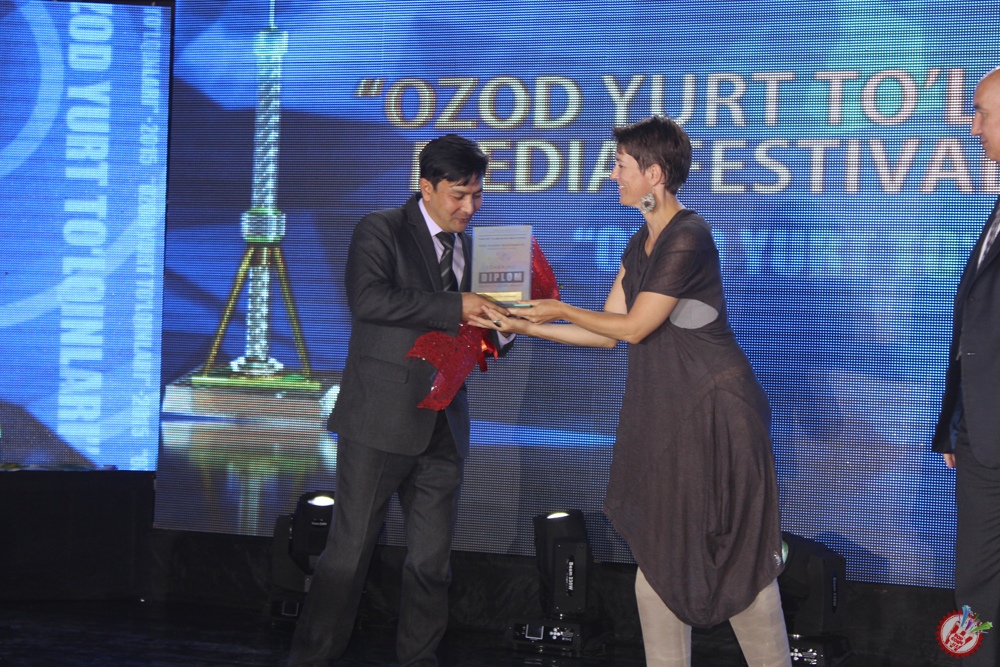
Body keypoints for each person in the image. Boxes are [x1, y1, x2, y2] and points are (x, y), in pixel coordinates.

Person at [473, 116, 790, 666]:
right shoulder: (641, 241)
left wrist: (558, 307)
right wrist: (523, 324)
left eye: (620, 166)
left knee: (738, 567)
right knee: (659, 568)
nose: (612, 175)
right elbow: (607, 333)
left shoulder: (688, 236)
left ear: (655, 174)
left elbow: (635, 327)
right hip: (669, 413)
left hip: (715, 412)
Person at [288, 134, 511, 667]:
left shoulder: (480, 248)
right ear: (426, 188)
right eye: (459, 195)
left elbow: (483, 332)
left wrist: (507, 325)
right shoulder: (380, 228)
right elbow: (369, 300)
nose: (470, 207)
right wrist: (457, 305)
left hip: (445, 424)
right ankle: (311, 658)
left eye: (477, 195)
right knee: (348, 554)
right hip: (379, 420)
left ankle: (420, 659)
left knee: (431, 565)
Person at [933, 66, 1000, 666]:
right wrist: (957, 422)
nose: (973, 127)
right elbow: (976, 325)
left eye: (982, 113)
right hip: (982, 437)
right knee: (977, 590)